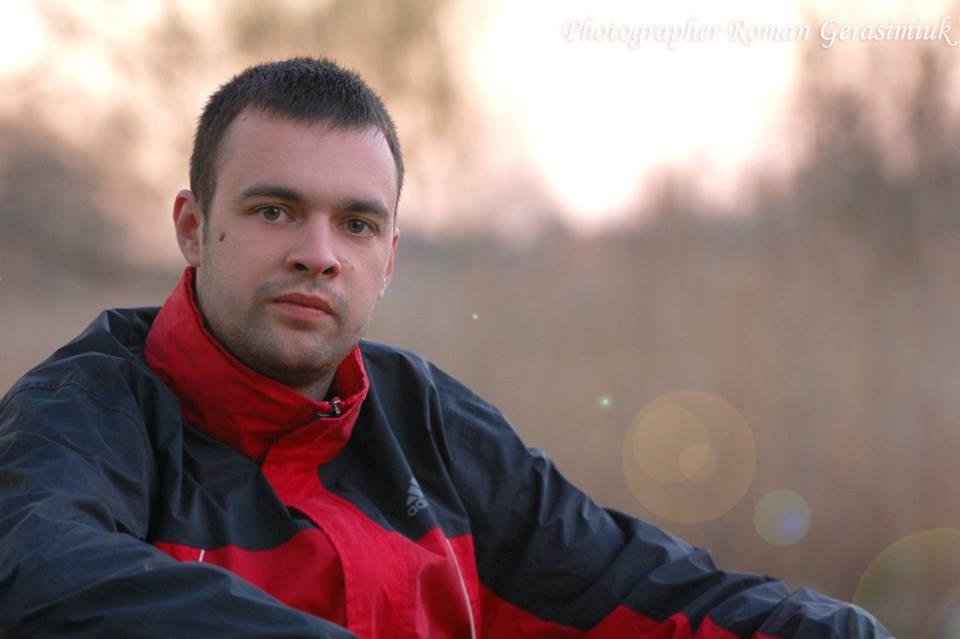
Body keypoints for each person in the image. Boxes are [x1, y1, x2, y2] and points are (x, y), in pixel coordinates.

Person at [0, 57, 889, 638]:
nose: (319, 252)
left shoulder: (429, 423)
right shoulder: (87, 409)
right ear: (193, 228)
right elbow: (37, 576)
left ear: (388, 258)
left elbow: (641, 591)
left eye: (357, 224)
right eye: (275, 210)